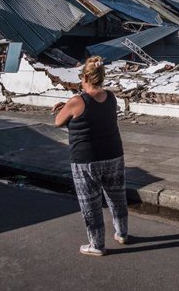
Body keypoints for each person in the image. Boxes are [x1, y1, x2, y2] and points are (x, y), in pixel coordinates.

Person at [52, 56, 128, 257]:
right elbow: (95, 114)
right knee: (117, 197)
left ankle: (97, 245)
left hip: (86, 159)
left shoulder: (77, 101)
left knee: (90, 203)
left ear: (85, 77)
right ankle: (122, 233)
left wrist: (64, 107)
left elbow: (58, 122)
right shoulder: (111, 97)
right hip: (114, 154)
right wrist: (69, 105)